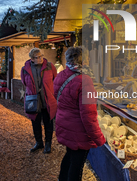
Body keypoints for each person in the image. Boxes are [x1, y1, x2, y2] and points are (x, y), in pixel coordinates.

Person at [54, 47, 105, 181]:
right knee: (77, 166)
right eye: (87, 58)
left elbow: (57, 97)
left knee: (70, 155)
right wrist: (99, 138)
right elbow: (88, 115)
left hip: (64, 124)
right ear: (83, 60)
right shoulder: (85, 80)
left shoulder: (61, 75)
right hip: (78, 130)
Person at [21, 48, 57, 153]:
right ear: (32, 59)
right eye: (37, 57)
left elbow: (56, 80)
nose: (40, 59)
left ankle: (48, 144)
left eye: (41, 56)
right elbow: (24, 82)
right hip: (33, 101)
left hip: (47, 100)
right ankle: (39, 142)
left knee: (48, 123)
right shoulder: (25, 69)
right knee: (35, 123)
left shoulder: (50, 66)